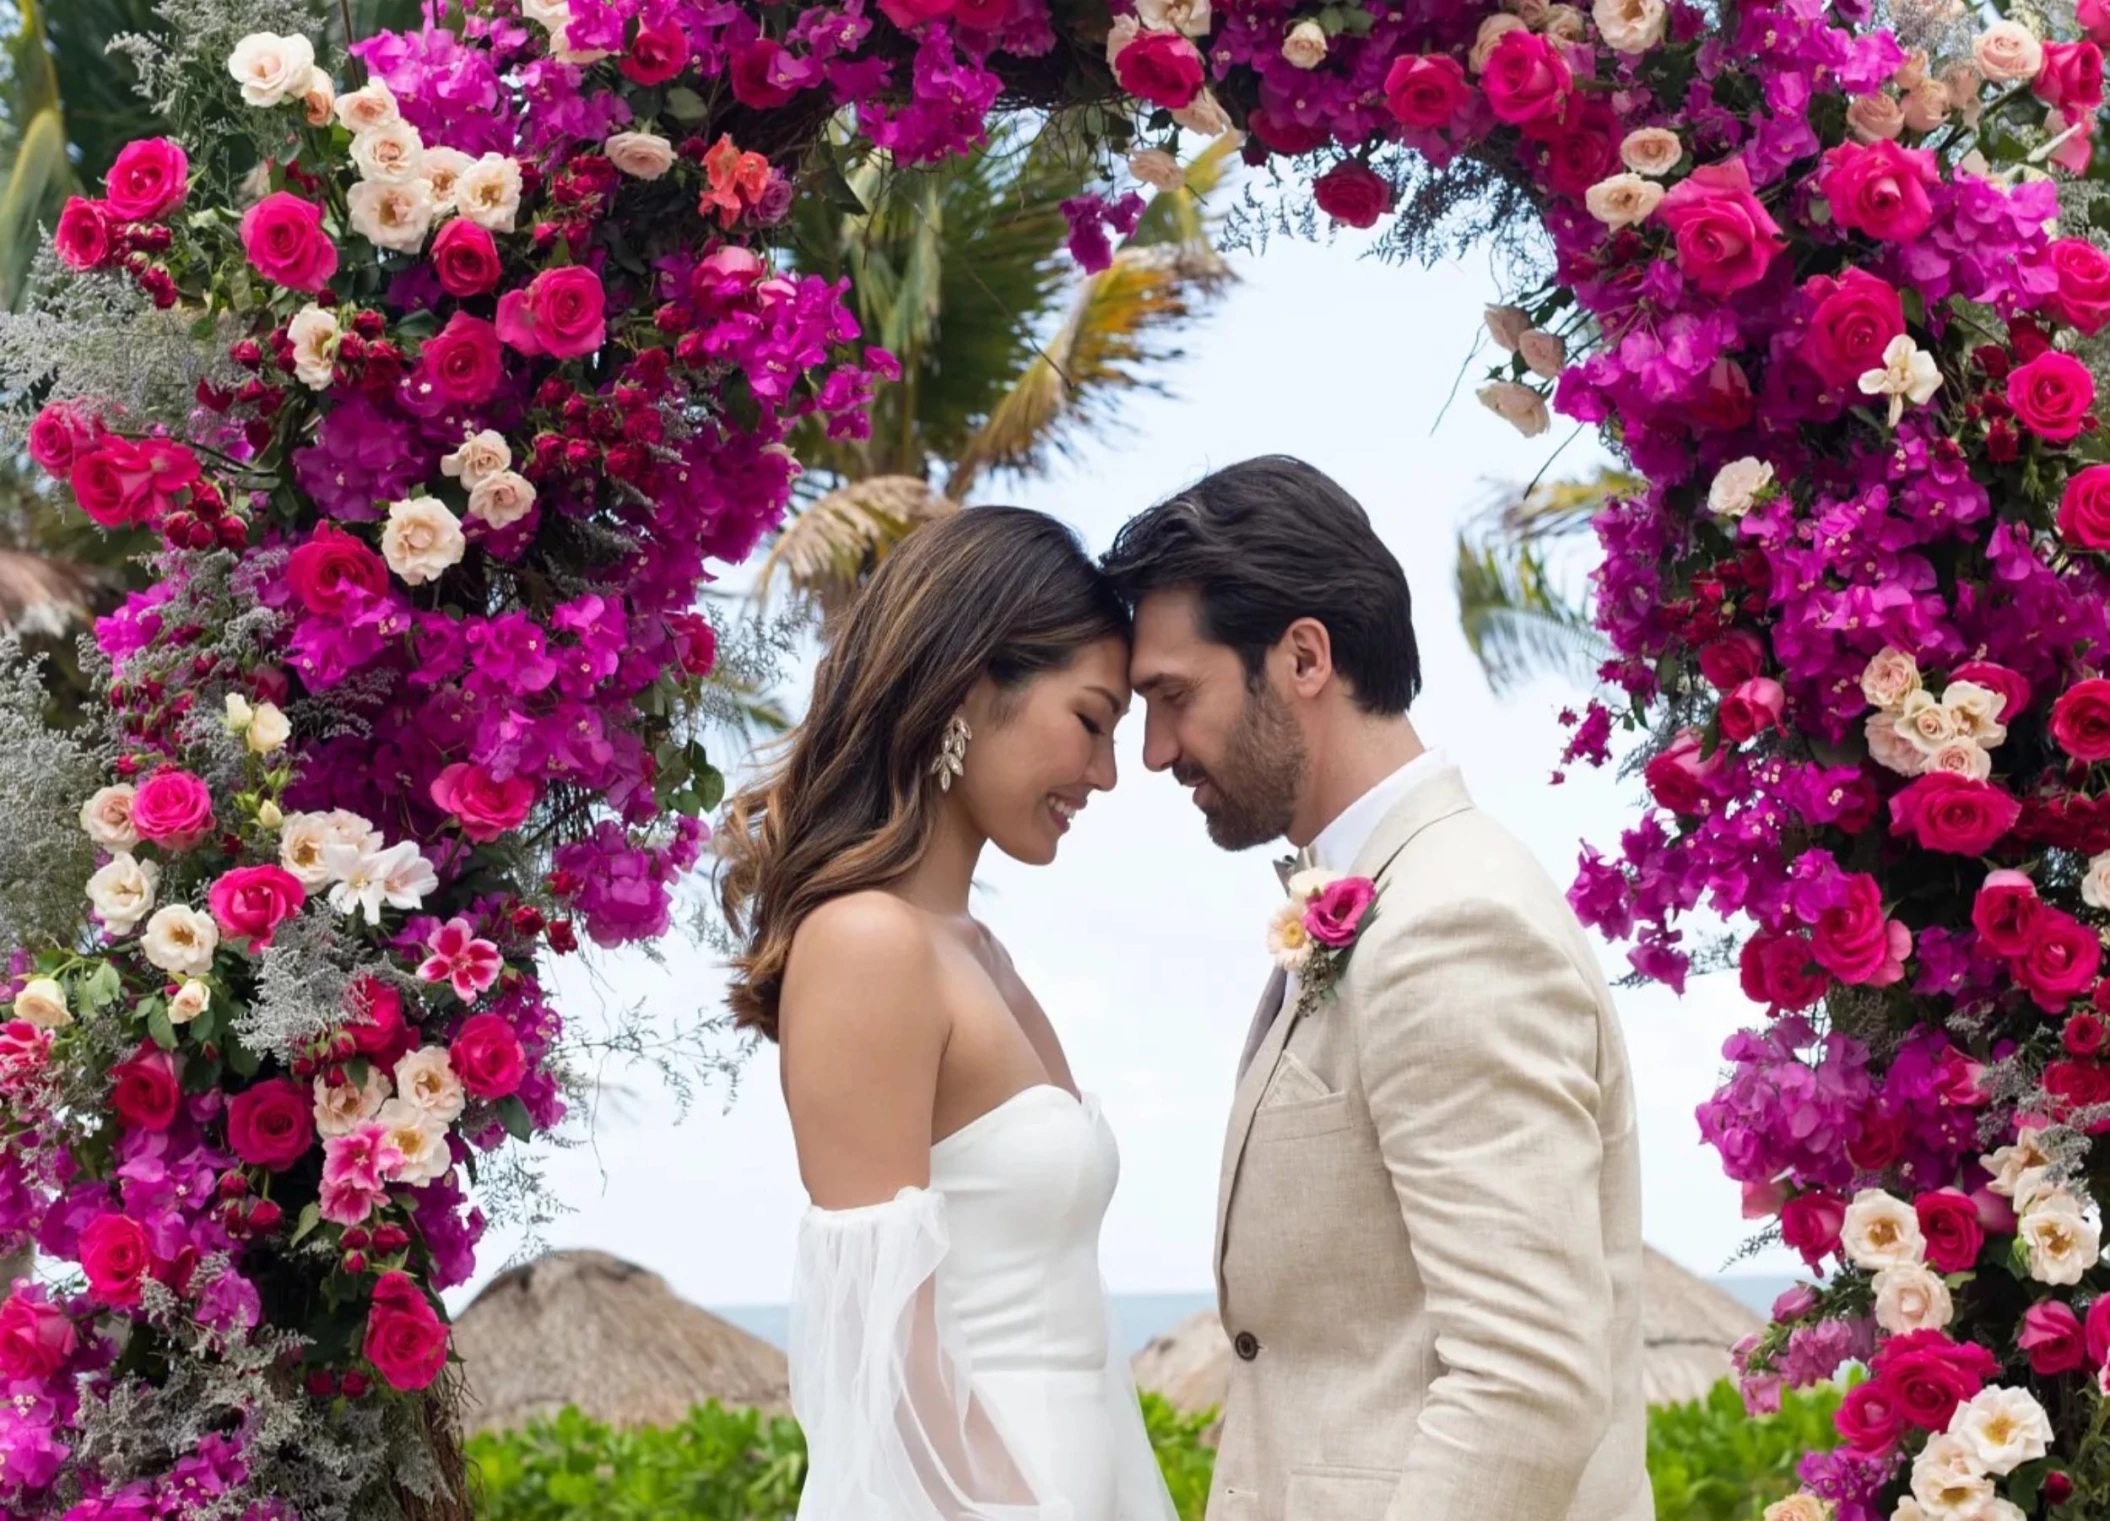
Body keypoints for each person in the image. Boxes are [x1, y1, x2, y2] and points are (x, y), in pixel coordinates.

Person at [1102, 456, 1652, 1521]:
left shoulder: (1453, 922)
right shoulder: (1391, 894)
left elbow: (1526, 1378)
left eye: (1173, 697)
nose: (1156, 750)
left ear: (1303, 656)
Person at [718, 506, 1177, 1521]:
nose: (1105, 775)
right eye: (1092, 721)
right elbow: (881, 1349)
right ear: (973, 686)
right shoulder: (866, 944)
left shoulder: (979, 956)